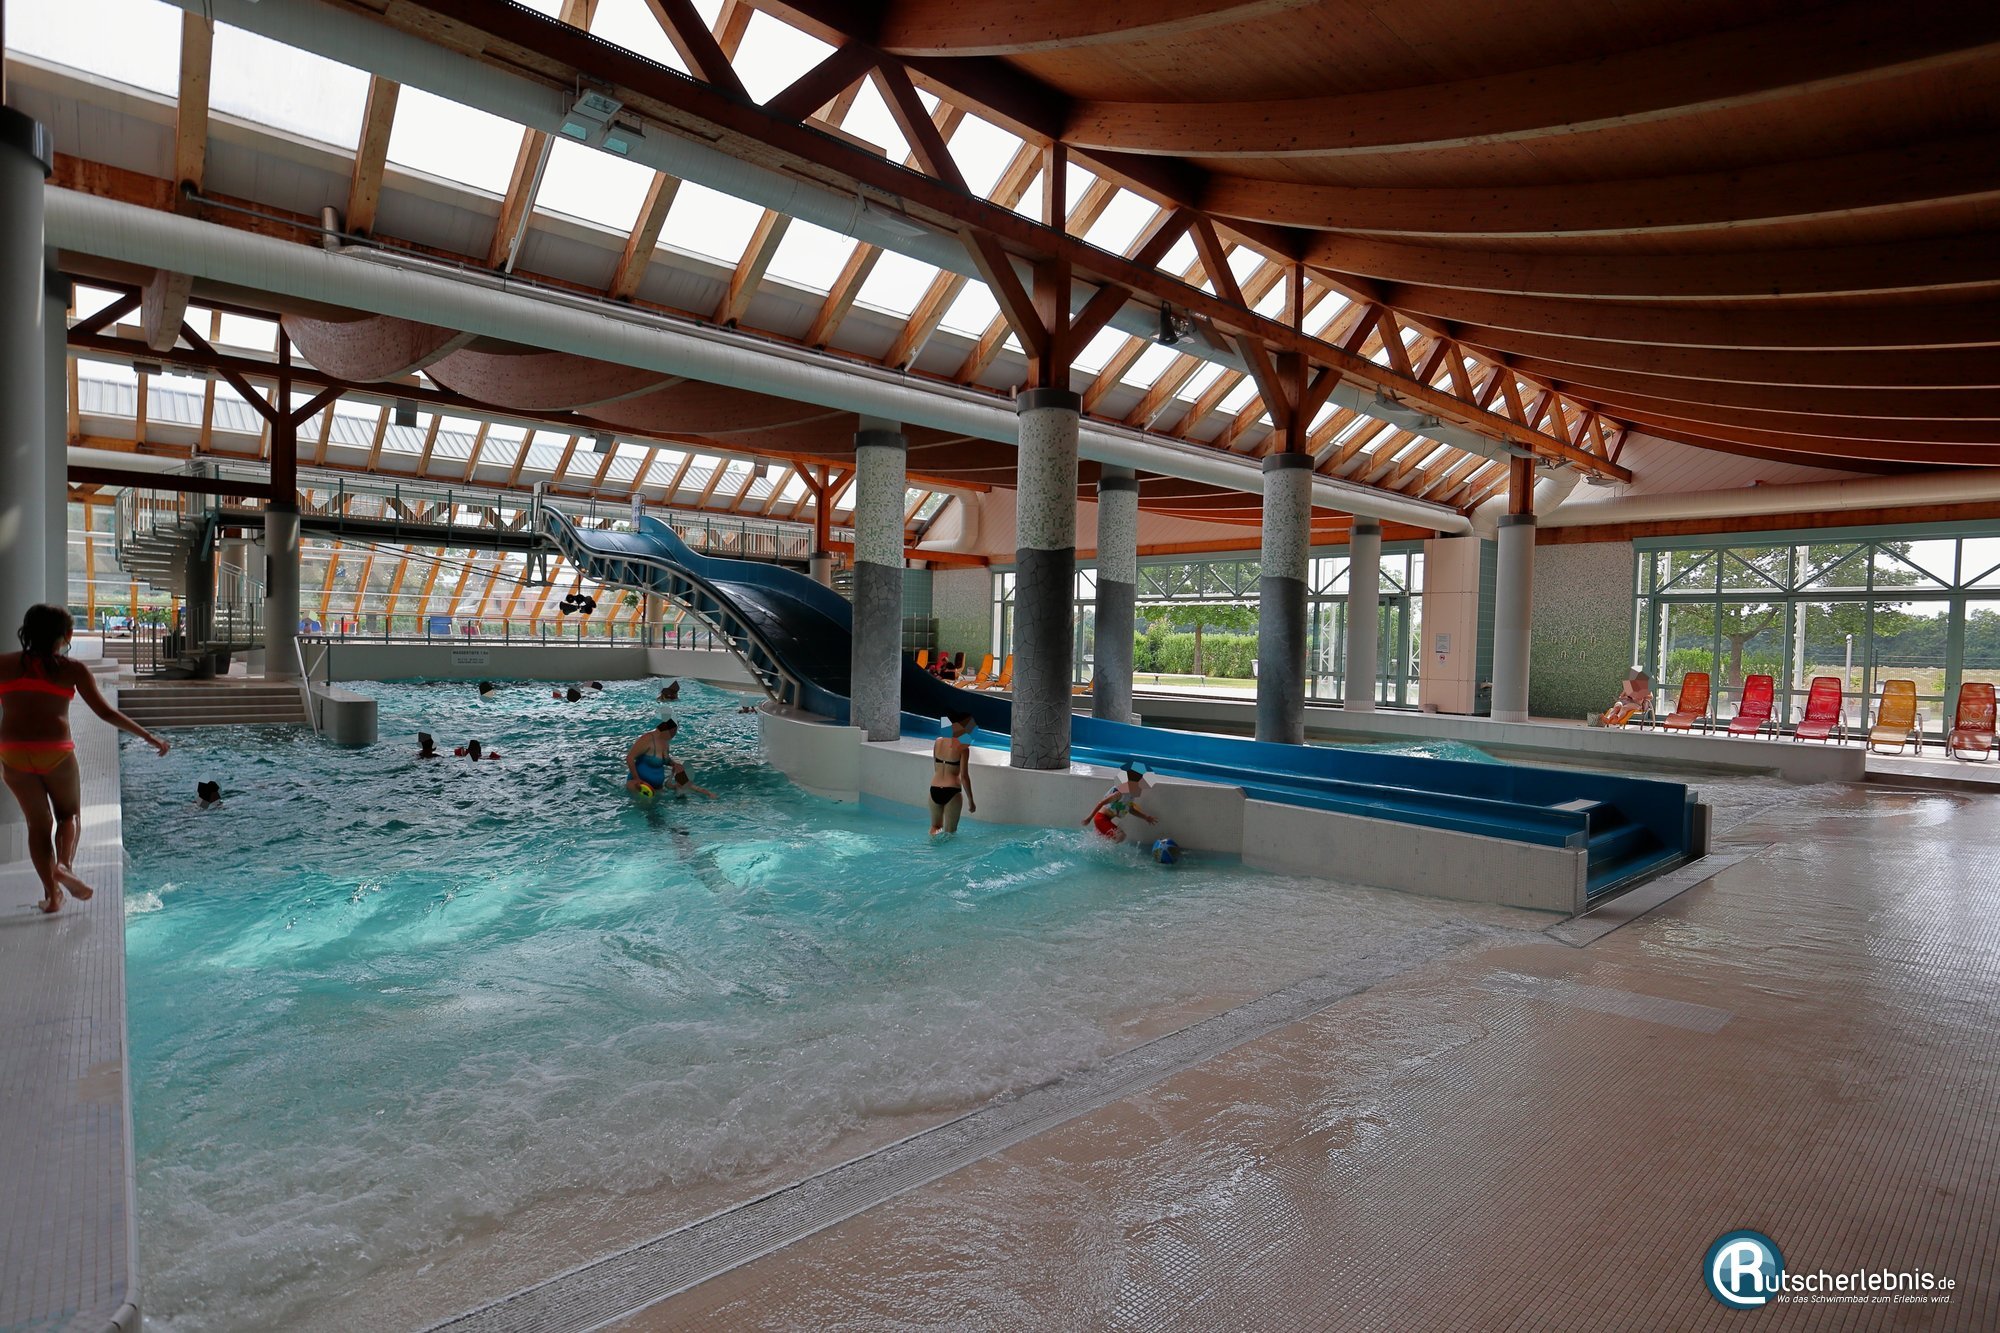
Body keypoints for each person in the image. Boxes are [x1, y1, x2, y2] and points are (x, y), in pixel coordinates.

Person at [2, 604, 170, 913]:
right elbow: (106, 713)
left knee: (38, 824)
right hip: (55, 750)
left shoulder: (4, 664)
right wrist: (149, 736)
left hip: (13, 752)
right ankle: (64, 865)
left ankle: (53, 897)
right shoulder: (72, 669)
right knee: (68, 815)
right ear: (67, 634)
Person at [928, 713, 977, 836]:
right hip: (952, 791)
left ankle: (931, 846)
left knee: (935, 827)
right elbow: (964, 776)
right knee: (950, 832)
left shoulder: (938, 742)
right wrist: (971, 800)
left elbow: (936, 767)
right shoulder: (963, 748)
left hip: (934, 789)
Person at [1084, 763, 1159, 844]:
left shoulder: (1130, 795)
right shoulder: (1119, 793)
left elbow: (1131, 810)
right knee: (1121, 836)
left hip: (1106, 820)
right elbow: (1101, 803)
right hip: (1101, 819)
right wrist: (1089, 818)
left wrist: (1146, 817)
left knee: (1104, 841)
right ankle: (1111, 850)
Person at [626, 717, 680, 795]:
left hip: (657, 788)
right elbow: (630, 758)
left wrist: (674, 764)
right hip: (640, 786)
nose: (674, 735)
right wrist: (636, 779)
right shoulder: (647, 739)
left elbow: (664, 760)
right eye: (674, 732)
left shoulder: (665, 742)